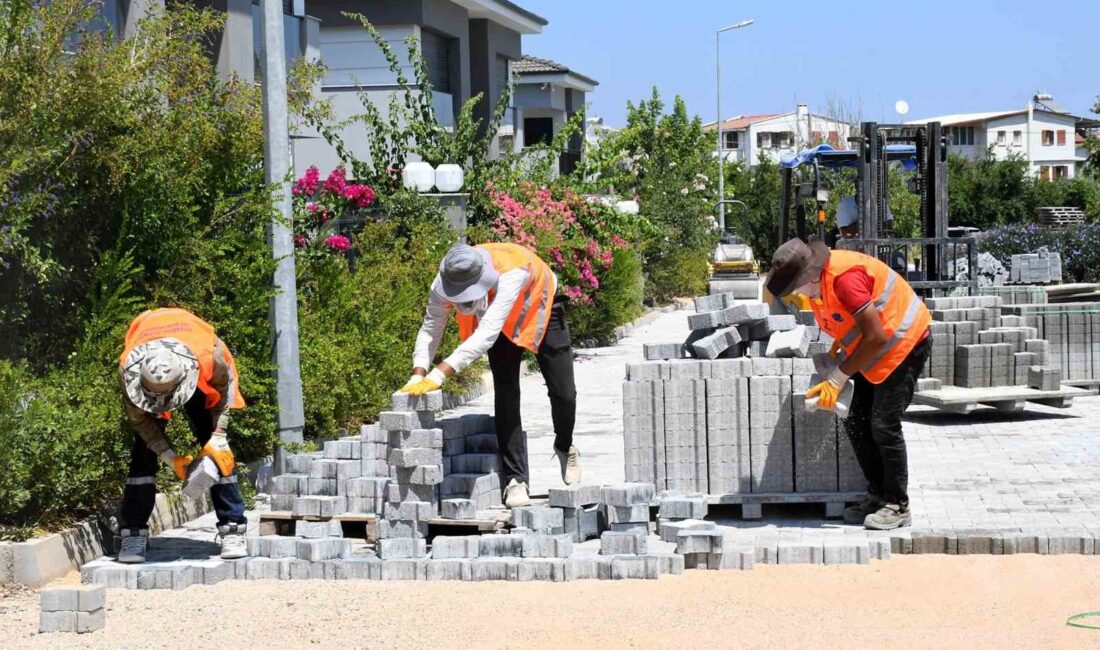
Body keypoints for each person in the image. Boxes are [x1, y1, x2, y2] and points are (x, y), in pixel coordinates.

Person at [765, 238, 931, 530]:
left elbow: (877, 335)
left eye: (796, 289)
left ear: (810, 275)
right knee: (855, 418)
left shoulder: (844, 280)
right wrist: (839, 350)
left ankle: (897, 504)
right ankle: (878, 494)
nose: (797, 296)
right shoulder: (819, 287)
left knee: (884, 424)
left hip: (904, 342)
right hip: (875, 345)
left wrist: (840, 375)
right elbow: (851, 325)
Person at [402, 243, 580, 508]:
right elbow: (431, 327)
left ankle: (565, 446)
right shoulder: (444, 280)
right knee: (506, 393)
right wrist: (418, 373)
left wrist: (439, 375)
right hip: (496, 322)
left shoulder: (512, 273)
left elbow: (487, 333)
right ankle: (516, 480)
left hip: (540, 305)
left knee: (564, 392)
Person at [117, 308, 249, 562]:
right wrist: (168, 456)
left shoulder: (212, 356)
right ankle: (133, 532)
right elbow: (141, 422)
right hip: (153, 372)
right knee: (142, 453)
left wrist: (219, 435)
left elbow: (224, 393)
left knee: (217, 449)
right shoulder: (129, 370)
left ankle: (233, 528)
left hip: (199, 372)